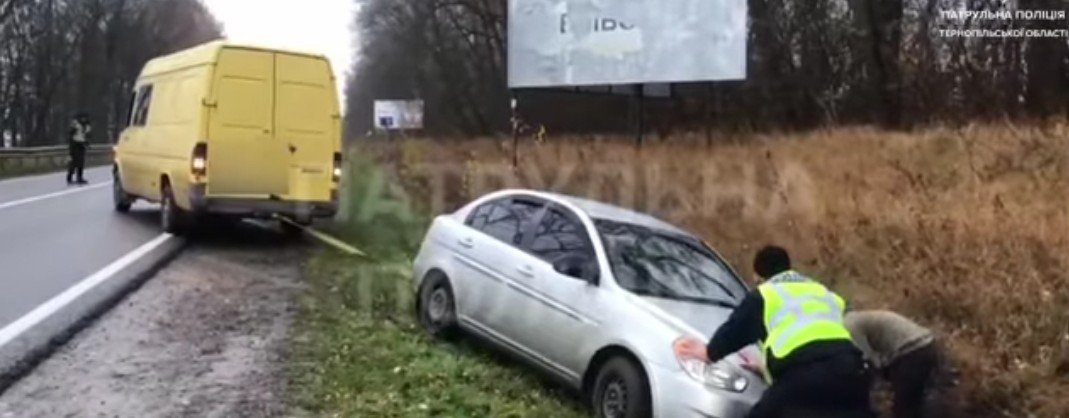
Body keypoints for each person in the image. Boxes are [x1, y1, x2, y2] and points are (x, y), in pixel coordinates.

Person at [676, 246, 873, 418]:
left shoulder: (766, 294)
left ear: (758, 277)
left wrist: (709, 353)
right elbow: (816, 332)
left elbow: (735, 330)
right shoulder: (822, 292)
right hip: (851, 372)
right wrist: (764, 367)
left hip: (804, 376)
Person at [845, 310, 942, 418]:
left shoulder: (848, 325)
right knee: (914, 401)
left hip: (912, 350)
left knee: (904, 407)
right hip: (925, 343)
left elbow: (867, 359)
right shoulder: (857, 317)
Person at [67, 112, 91, 185]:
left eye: (85, 118)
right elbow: (70, 135)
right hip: (74, 144)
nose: (84, 119)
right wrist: (71, 147)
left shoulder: (87, 126)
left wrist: (87, 143)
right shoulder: (75, 125)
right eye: (82, 118)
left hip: (82, 145)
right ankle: (70, 177)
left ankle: (79, 177)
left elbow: (85, 136)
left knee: (81, 162)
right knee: (74, 162)